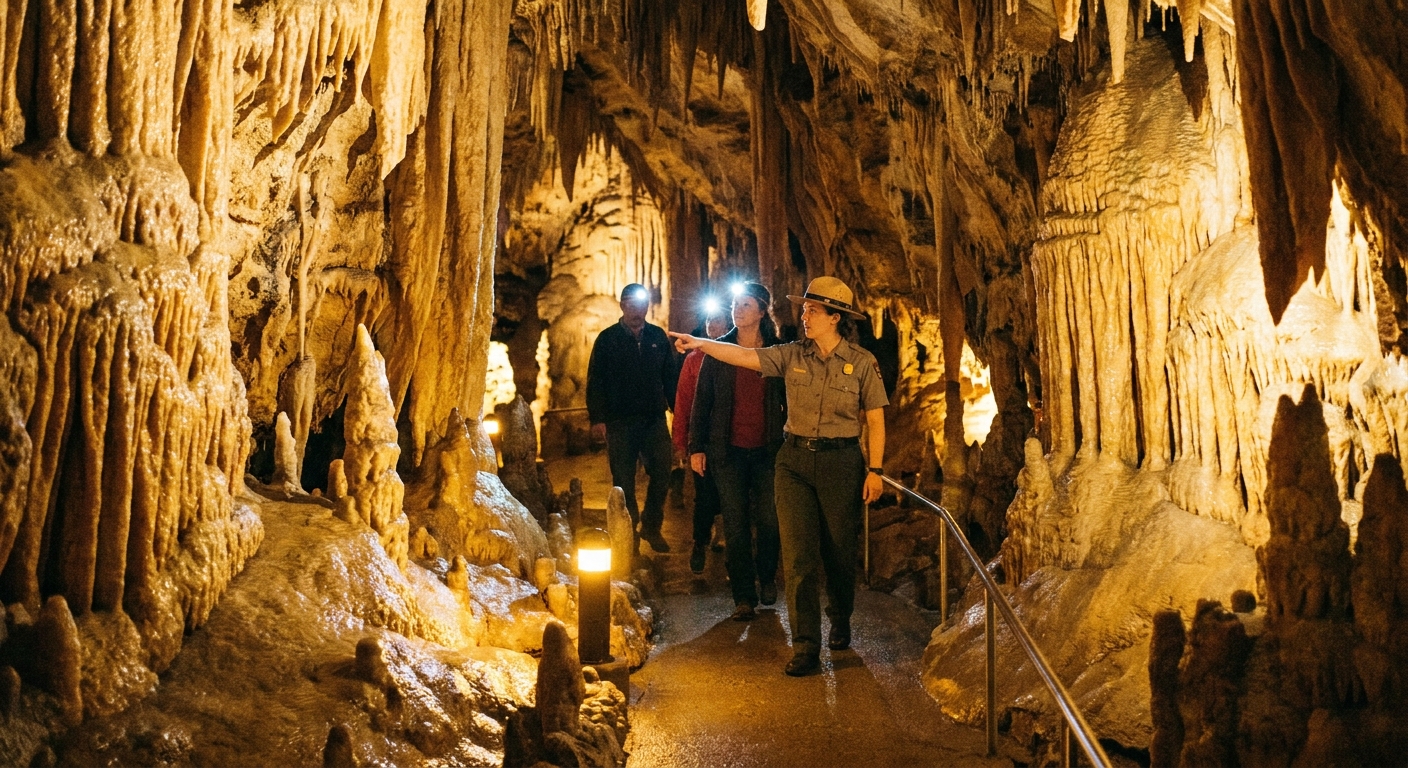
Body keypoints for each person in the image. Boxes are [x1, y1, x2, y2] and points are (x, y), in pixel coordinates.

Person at [669, 276, 887, 677]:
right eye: (803, 309)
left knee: (839, 551)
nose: (804, 316)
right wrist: (701, 343)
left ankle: (840, 616)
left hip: (840, 462)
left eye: (812, 310)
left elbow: (875, 418)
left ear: (834, 317)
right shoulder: (790, 355)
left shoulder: (861, 362)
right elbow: (742, 358)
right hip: (794, 461)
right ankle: (805, 644)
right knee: (799, 555)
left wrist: (875, 469)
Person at [688, 282, 785, 621]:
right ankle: (743, 595)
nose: (737, 309)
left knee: (770, 521)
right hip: (727, 450)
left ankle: (768, 575)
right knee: (736, 523)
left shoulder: (777, 351)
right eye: (735, 304)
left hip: (768, 450)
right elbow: (703, 401)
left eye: (745, 304)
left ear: (761, 311)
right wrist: (696, 447)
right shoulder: (718, 350)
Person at [587, 284, 678, 553]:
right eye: (631, 304)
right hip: (620, 421)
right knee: (624, 480)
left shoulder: (658, 337)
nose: (637, 309)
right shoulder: (607, 339)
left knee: (663, 472)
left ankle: (651, 526)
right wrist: (597, 418)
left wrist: (677, 410)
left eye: (642, 304)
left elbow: (669, 377)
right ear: (622, 306)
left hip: (653, 418)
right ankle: (630, 536)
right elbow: (596, 380)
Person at [673, 307, 731, 574]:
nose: (711, 324)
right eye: (708, 320)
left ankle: (732, 545)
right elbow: (684, 402)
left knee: (734, 497)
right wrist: (682, 440)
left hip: (733, 437)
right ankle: (699, 542)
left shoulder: (738, 356)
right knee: (705, 497)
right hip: (704, 439)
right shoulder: (694, 360)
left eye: (717, 320)